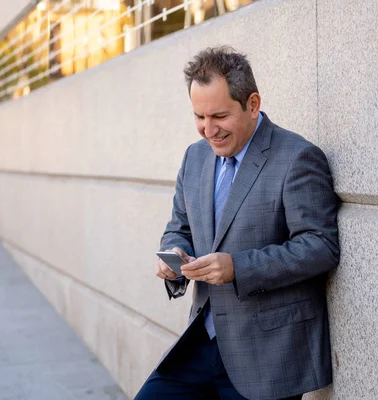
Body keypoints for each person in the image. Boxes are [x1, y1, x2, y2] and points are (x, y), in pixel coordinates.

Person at [135, 46, 340, 400]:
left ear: (252, 104)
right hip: (200, 343)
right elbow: (180, 226)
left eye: (219, 116)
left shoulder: (297, 158)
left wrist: (237, 267)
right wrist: (174, 253)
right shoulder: (194, 157)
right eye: (199, 116)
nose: (208, 129)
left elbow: (320, 246)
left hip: (267, 355)